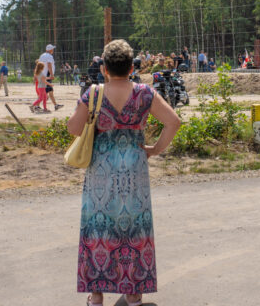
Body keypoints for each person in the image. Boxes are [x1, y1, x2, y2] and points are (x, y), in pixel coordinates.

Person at [67, 39, 181, 306]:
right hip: (134, 169)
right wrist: (154, 149)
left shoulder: (93, 94)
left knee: (98, 227)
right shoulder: (144, 93)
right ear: (132, 67)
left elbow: (73, 128)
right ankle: (133, 292)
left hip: (101, 171)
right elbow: (173, 121)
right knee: (134, 227)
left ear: (104, 68)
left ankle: (96, 295)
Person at [39, 44, 63, 111]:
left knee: (49, 91)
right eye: (52, 49)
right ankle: (36, 105)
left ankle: (55, 105)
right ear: (50, 50)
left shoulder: (42, 55)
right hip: (47, 75)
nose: (53, 50)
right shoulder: (49, 56)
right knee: (46, 92)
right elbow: (49, 65)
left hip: (42, 75)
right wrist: (52, 75)